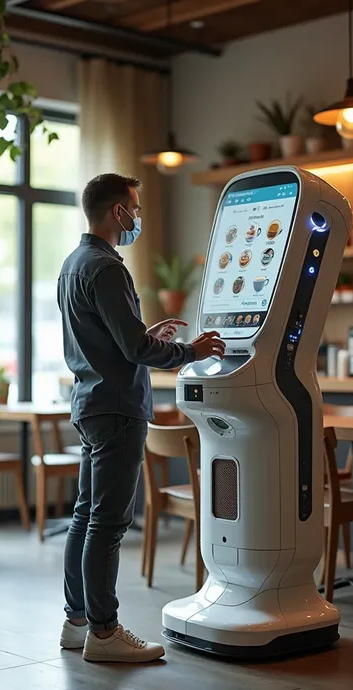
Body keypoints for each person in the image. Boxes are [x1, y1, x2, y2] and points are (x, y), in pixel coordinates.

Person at [57, 173, 225, 663]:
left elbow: (112, 340)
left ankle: (77, 621)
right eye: (133, 207)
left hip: (91, 403)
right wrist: (188, 350)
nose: (137, 217)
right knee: (108, 524)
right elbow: (133, 348)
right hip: (117, 409)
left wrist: (148, 336)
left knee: (86, 516)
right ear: (117, 212)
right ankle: (105, 633)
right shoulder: (106, 267)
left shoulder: (74, 264)